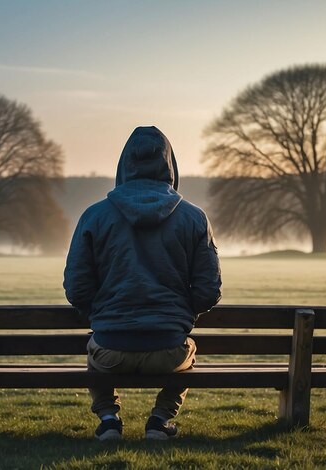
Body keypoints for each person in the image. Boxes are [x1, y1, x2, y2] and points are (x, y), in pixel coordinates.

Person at [63, 126, 221, 440]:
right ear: (170, 166)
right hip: (168, 348)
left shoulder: (94, 216)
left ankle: (108, 419)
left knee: (94, 349)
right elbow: (208, 291)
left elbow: (77, 287)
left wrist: (102, 314)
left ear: (123, 165)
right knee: (188, 352)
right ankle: (160, 420)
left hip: (110, 348)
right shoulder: (194, 218)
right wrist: (180, 315)